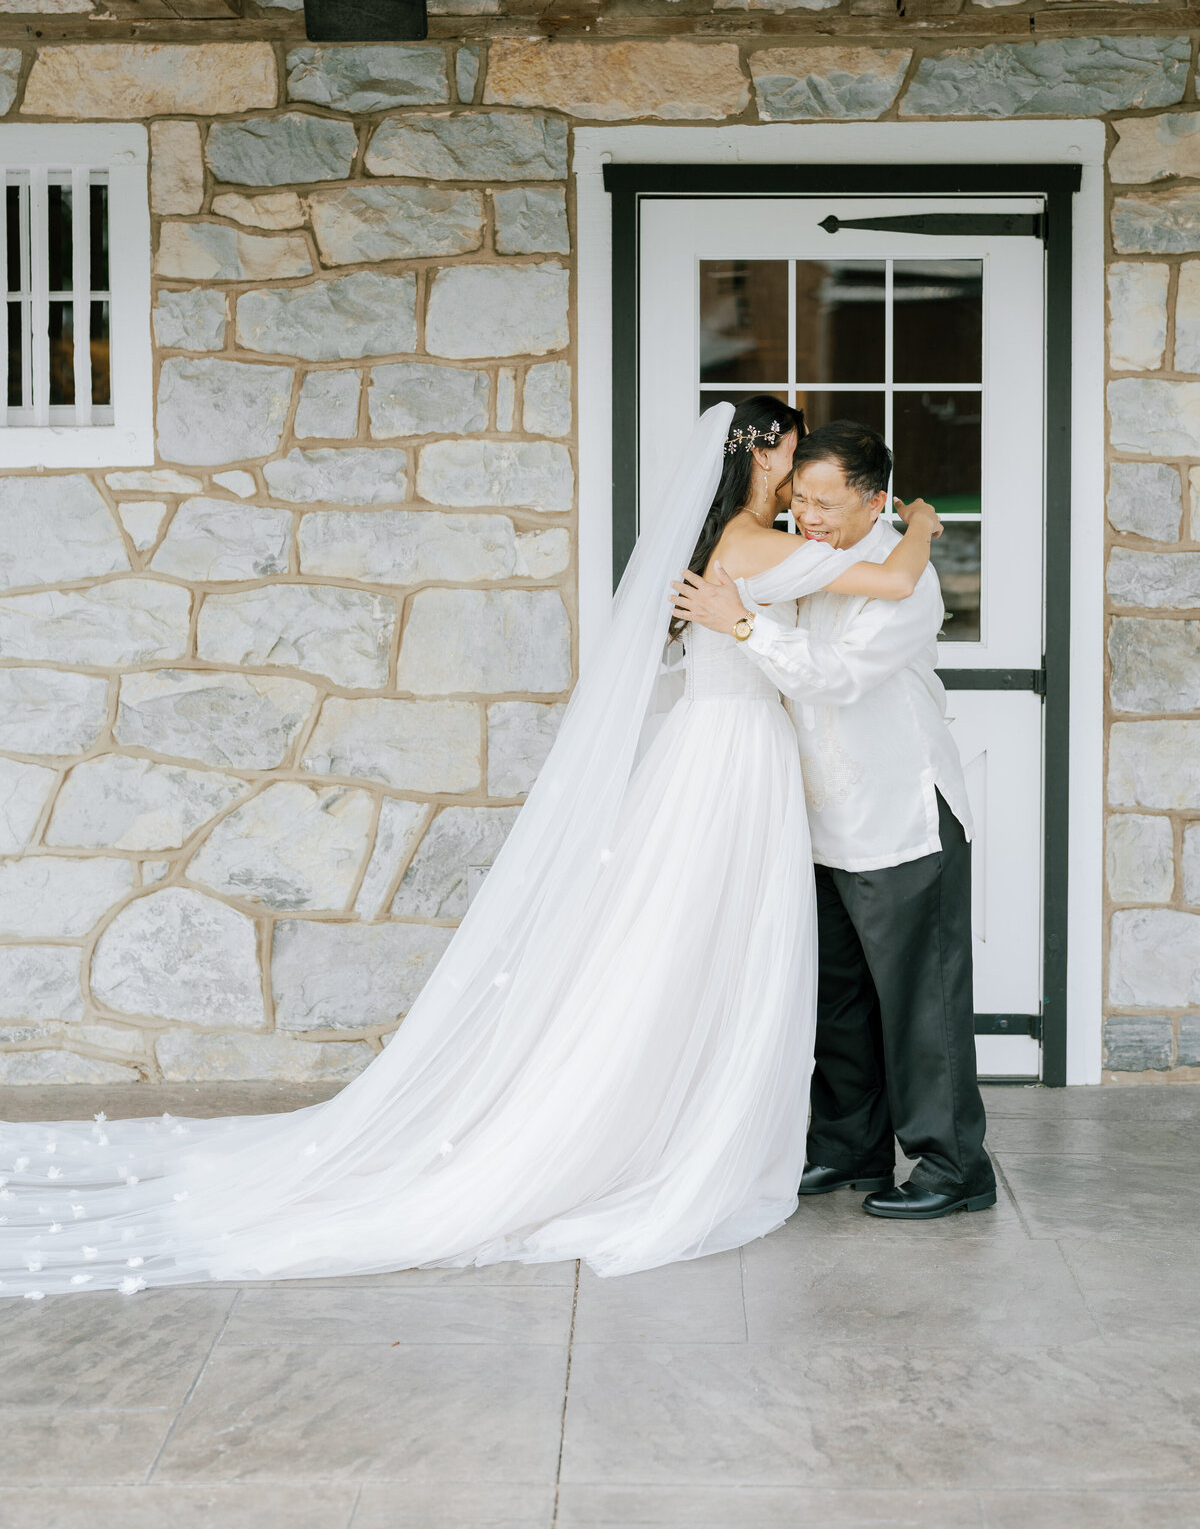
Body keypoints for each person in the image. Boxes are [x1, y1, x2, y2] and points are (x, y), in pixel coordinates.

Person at [0, 399, 940, 1299]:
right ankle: (688, 1128)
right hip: (737, 758)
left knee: (690, 943)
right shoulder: (750, 543)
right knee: (710, 943)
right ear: (763, 452)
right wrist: (924, 522)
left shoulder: (728, 544)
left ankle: (725, 1119)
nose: (803, 486)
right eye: (794, 461)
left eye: (820, 480)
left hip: (723, 750)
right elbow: (894, 578)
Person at [670, 419, 996, 1220]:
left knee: (922, 1000)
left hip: (898, 818)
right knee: (839, 1001)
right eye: (798, 499)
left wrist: (739, 623)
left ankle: (955, 1166)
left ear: (874, 499)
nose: (805, 516)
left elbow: (835, 679)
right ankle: (848, 1150)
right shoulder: (819, 558)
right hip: (813, 818)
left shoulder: (903, 578)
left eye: (823, 502)